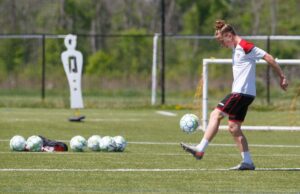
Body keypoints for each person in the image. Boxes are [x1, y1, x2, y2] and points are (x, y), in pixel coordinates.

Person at [180, 20, 288, 170]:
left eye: (221, 40)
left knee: (215, 115)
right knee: (233, 127)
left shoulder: (245, 46)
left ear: (229, 35)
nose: (221, 44)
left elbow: (268, 57)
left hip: (241, 93)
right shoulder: (236, 48)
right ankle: (248, 162)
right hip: (246, 94)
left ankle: (200, 149)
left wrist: (282, 76)